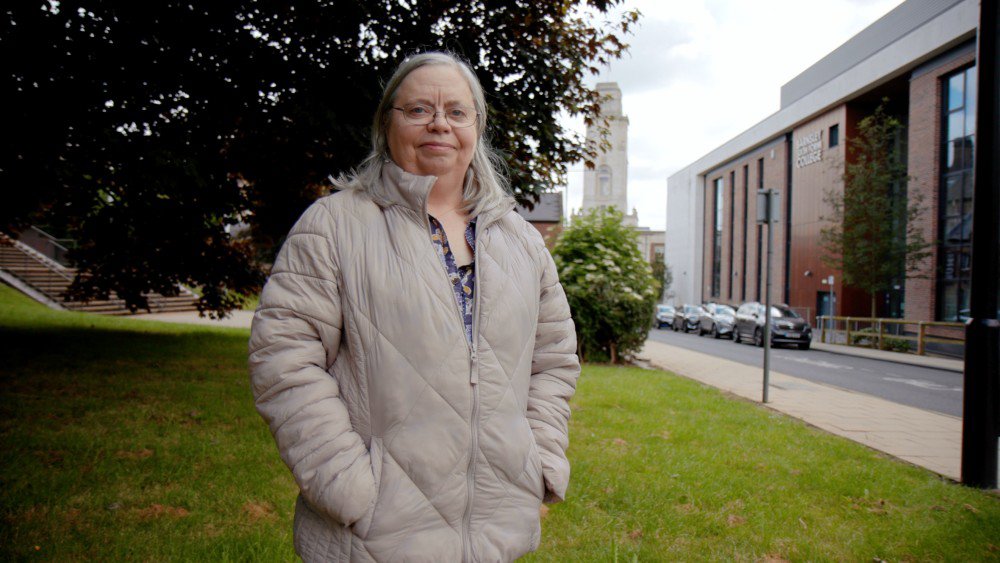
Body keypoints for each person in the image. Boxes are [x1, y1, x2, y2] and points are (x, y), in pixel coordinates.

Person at [248, 51, 580, 562]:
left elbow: (553, 359)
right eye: (418, 110)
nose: (439, 124)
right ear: (388, 124)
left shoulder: (521, 242)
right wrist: (345, 484)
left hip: (495, 535)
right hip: (373, 536)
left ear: (477, 126)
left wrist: (537, 459)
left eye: (456, 111)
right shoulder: (333, 227)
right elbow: (284, 360)